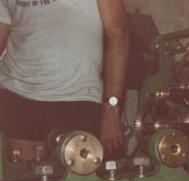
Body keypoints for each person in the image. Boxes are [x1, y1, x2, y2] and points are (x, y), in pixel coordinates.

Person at [0, 0, 130, 161]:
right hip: (18, 98)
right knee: (24, 180)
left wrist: (111, 111)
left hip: (79, 99)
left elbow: (118, 32)